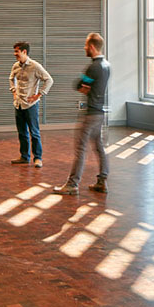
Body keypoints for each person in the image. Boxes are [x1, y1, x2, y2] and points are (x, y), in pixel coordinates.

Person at [55, 33, 110, 195]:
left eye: (86, 45)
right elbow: (83, 86)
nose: (84, 48)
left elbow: (78, 85)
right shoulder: (107, 65)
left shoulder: (93, 67)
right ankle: (102, 181)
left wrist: (86, 87)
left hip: (91, 114)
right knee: (99, 146)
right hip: (100, 113)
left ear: (92, 47)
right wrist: (86, 86)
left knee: (80, 148)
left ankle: (72, 184)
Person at [9, 41, 53, 168]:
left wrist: (38, 95)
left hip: (30, 106)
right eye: (15, 51)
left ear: (24, 52)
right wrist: (14, 92)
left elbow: (49, 80)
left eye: (17, 51)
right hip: (18, 104)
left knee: (34, 132)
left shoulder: (35, 66)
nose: (14, 54)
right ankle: (24, 156)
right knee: (22, 132)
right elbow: (11, 79)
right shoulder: (15, 66)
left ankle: (38, 158)